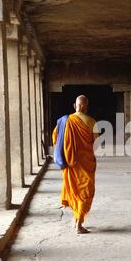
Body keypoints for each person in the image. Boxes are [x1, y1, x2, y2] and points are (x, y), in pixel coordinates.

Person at [52, 95, 98, 234]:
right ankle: (78, 225)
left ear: (75, 106)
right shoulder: (91, 121)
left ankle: (76, 219)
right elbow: (94, 144)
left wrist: (68, 150)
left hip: (70, 164)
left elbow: (55, 139)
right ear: (87, 106)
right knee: (85, 192)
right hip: (85, 164)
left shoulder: (65, 121)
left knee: (74, 191)